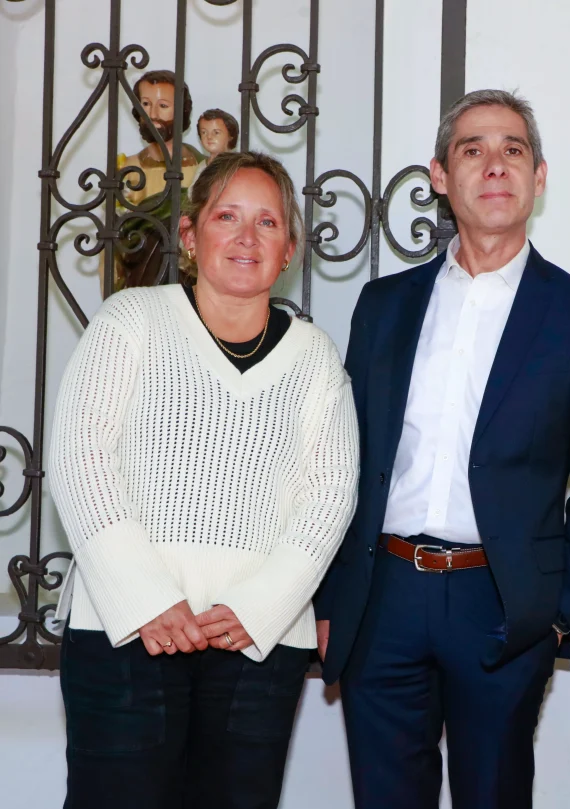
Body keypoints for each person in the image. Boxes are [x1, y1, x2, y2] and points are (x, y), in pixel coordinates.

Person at [314, 89, 570, 809]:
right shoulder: (383, 305)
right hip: (384, 598)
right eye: (473, 149)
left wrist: (555, 614)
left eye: (513, 150)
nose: (495, 165)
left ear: (538, 176)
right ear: (440, 175)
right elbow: (344, 465)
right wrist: (336, 595)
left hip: (502, 605)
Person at [50, 150, 359, 809]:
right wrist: (146, 600)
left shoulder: (316, 358)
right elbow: (80, 459)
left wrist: (259, 607)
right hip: (124, 632)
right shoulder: (130, 320)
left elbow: (331, 495)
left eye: (267, 222)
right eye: (227, 217)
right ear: (190, 236)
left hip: (257, 644)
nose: (247, 237)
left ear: (289, 249)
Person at [111, 69, 205, 293]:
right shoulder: (126, 169)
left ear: (181, 111)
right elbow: (113, 244)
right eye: (145, 104)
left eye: (163, 105)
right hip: (139, 283)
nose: (153, 114)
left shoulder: (201, 170)